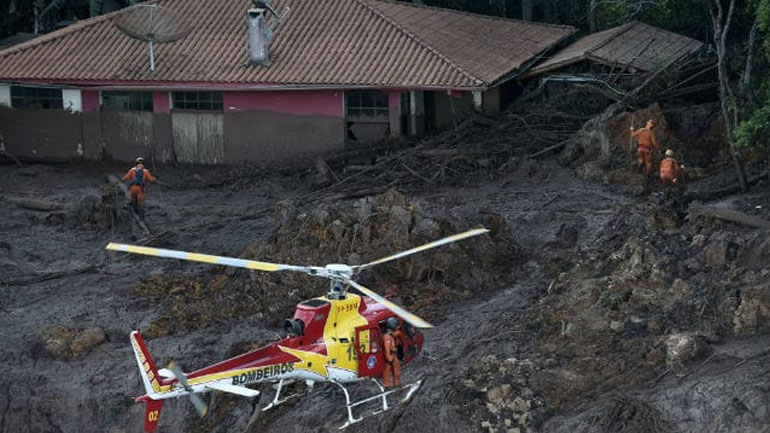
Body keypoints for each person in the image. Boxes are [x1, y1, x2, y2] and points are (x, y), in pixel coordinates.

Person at [381, 317, 401, 388]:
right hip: (390, 356)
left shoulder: (390, 334)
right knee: (387, 371)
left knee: (396, 369)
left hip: (393, 355)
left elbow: (396, 333)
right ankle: (387, 386)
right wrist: (389, 358)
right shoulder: (387, 337)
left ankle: (397, 384)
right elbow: (387, 348)